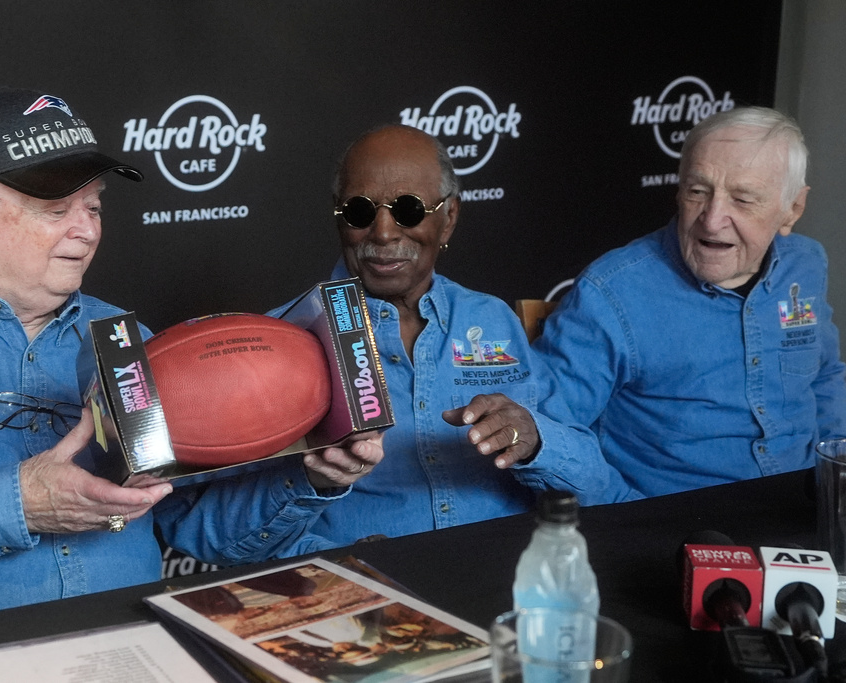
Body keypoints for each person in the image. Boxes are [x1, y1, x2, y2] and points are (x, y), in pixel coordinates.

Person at [0, 87, 382, 638]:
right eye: (55, 208)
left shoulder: (128, 340)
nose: (86, 230)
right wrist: (19, 504)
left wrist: (312, 476)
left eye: (92, 207)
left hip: (121, 651)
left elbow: (194, 528)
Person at [268, 124, 636, 547]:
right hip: (370, 594)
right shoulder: (286, 340)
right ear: (339, 216)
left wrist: (535, 440)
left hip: (505, 575)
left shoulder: (491, 319)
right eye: (360, 211)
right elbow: (217, 536)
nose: (384, 232)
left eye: (407, 210)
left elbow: (593, 482)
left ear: (449, 219)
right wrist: (340, 562)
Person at [532, 106, 846, 497]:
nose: (712, 220)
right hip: (674, 523)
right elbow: (546, 430)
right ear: (679, 191)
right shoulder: (613, 291)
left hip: (805, 508)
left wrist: (838, 473)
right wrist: (624, 512)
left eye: (743, 200)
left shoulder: (806, 264)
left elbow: (826, 375)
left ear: (792, 209)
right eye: (698, 192)